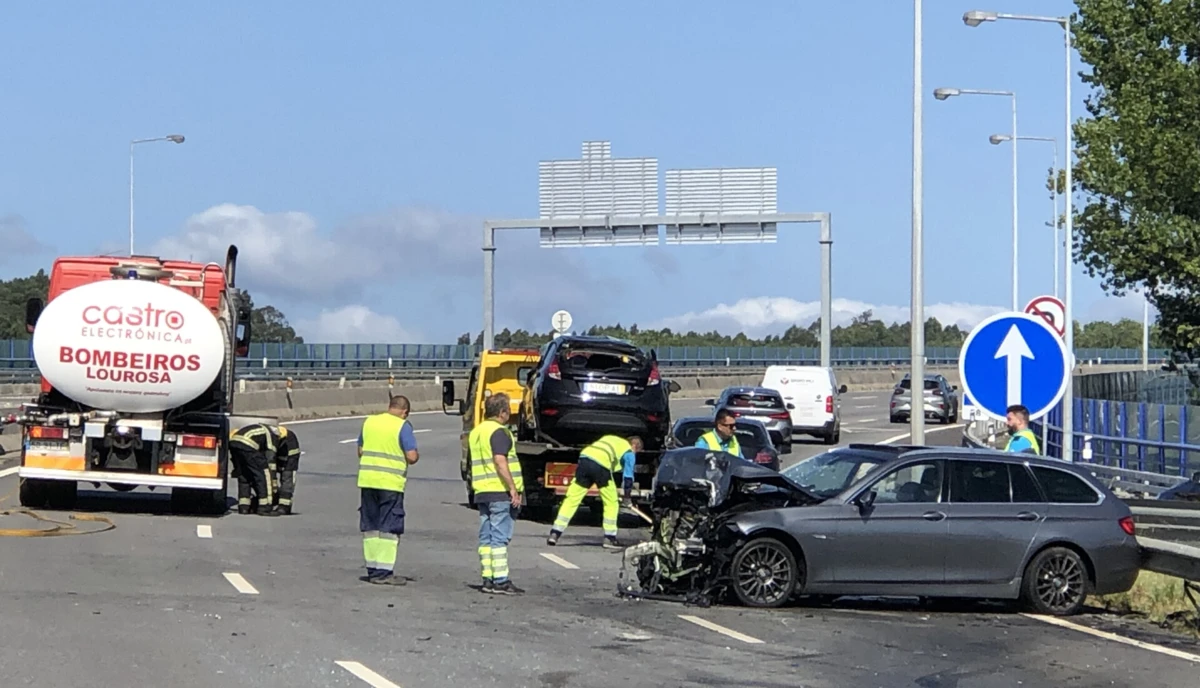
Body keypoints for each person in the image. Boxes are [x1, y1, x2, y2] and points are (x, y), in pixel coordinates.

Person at [356, 395, 420, 585]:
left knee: (371, 527)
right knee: (388, 528)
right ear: (405, 412)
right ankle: (384, 572)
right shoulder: (403, 426)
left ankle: (372, 569)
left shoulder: (369, 422)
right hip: (390, 484)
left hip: (368, 481)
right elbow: (412, 456)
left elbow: (360, 451)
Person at [468, 392, 525, 595]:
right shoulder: (500, 432)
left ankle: (488, 579)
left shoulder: (477, 432)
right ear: (502, 412)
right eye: (508, 410)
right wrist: (512, 488)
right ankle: (501, 580)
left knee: (486, 537)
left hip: (482, 491)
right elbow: (500, 461)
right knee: (499, 538)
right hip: (499, 492)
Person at [546, 433, 642, 549]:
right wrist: (627, 497)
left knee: (572, 499)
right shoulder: (629, 451)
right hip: (601, 466)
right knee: (611, 502)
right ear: (635, 446)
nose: (635, 455)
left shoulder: (611, 439)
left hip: (585, 459)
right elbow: (628, 477)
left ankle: (555, 533)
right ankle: (609, 538)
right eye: (637, 452)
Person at [229, 422, 279, 516]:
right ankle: (264, 507)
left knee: (244, 474)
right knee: (264, 474)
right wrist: (273, 482)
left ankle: (244, 507)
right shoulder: (271, 435)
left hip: (234, 443)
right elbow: (270, 458)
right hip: (248, 445)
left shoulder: (259, 429)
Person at [270, 425, 301, 515]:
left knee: (287, 477)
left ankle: (285, 506)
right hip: (276, 452)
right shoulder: (268, 437)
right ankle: (274, 499)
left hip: (289, 457)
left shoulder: (289, 441)